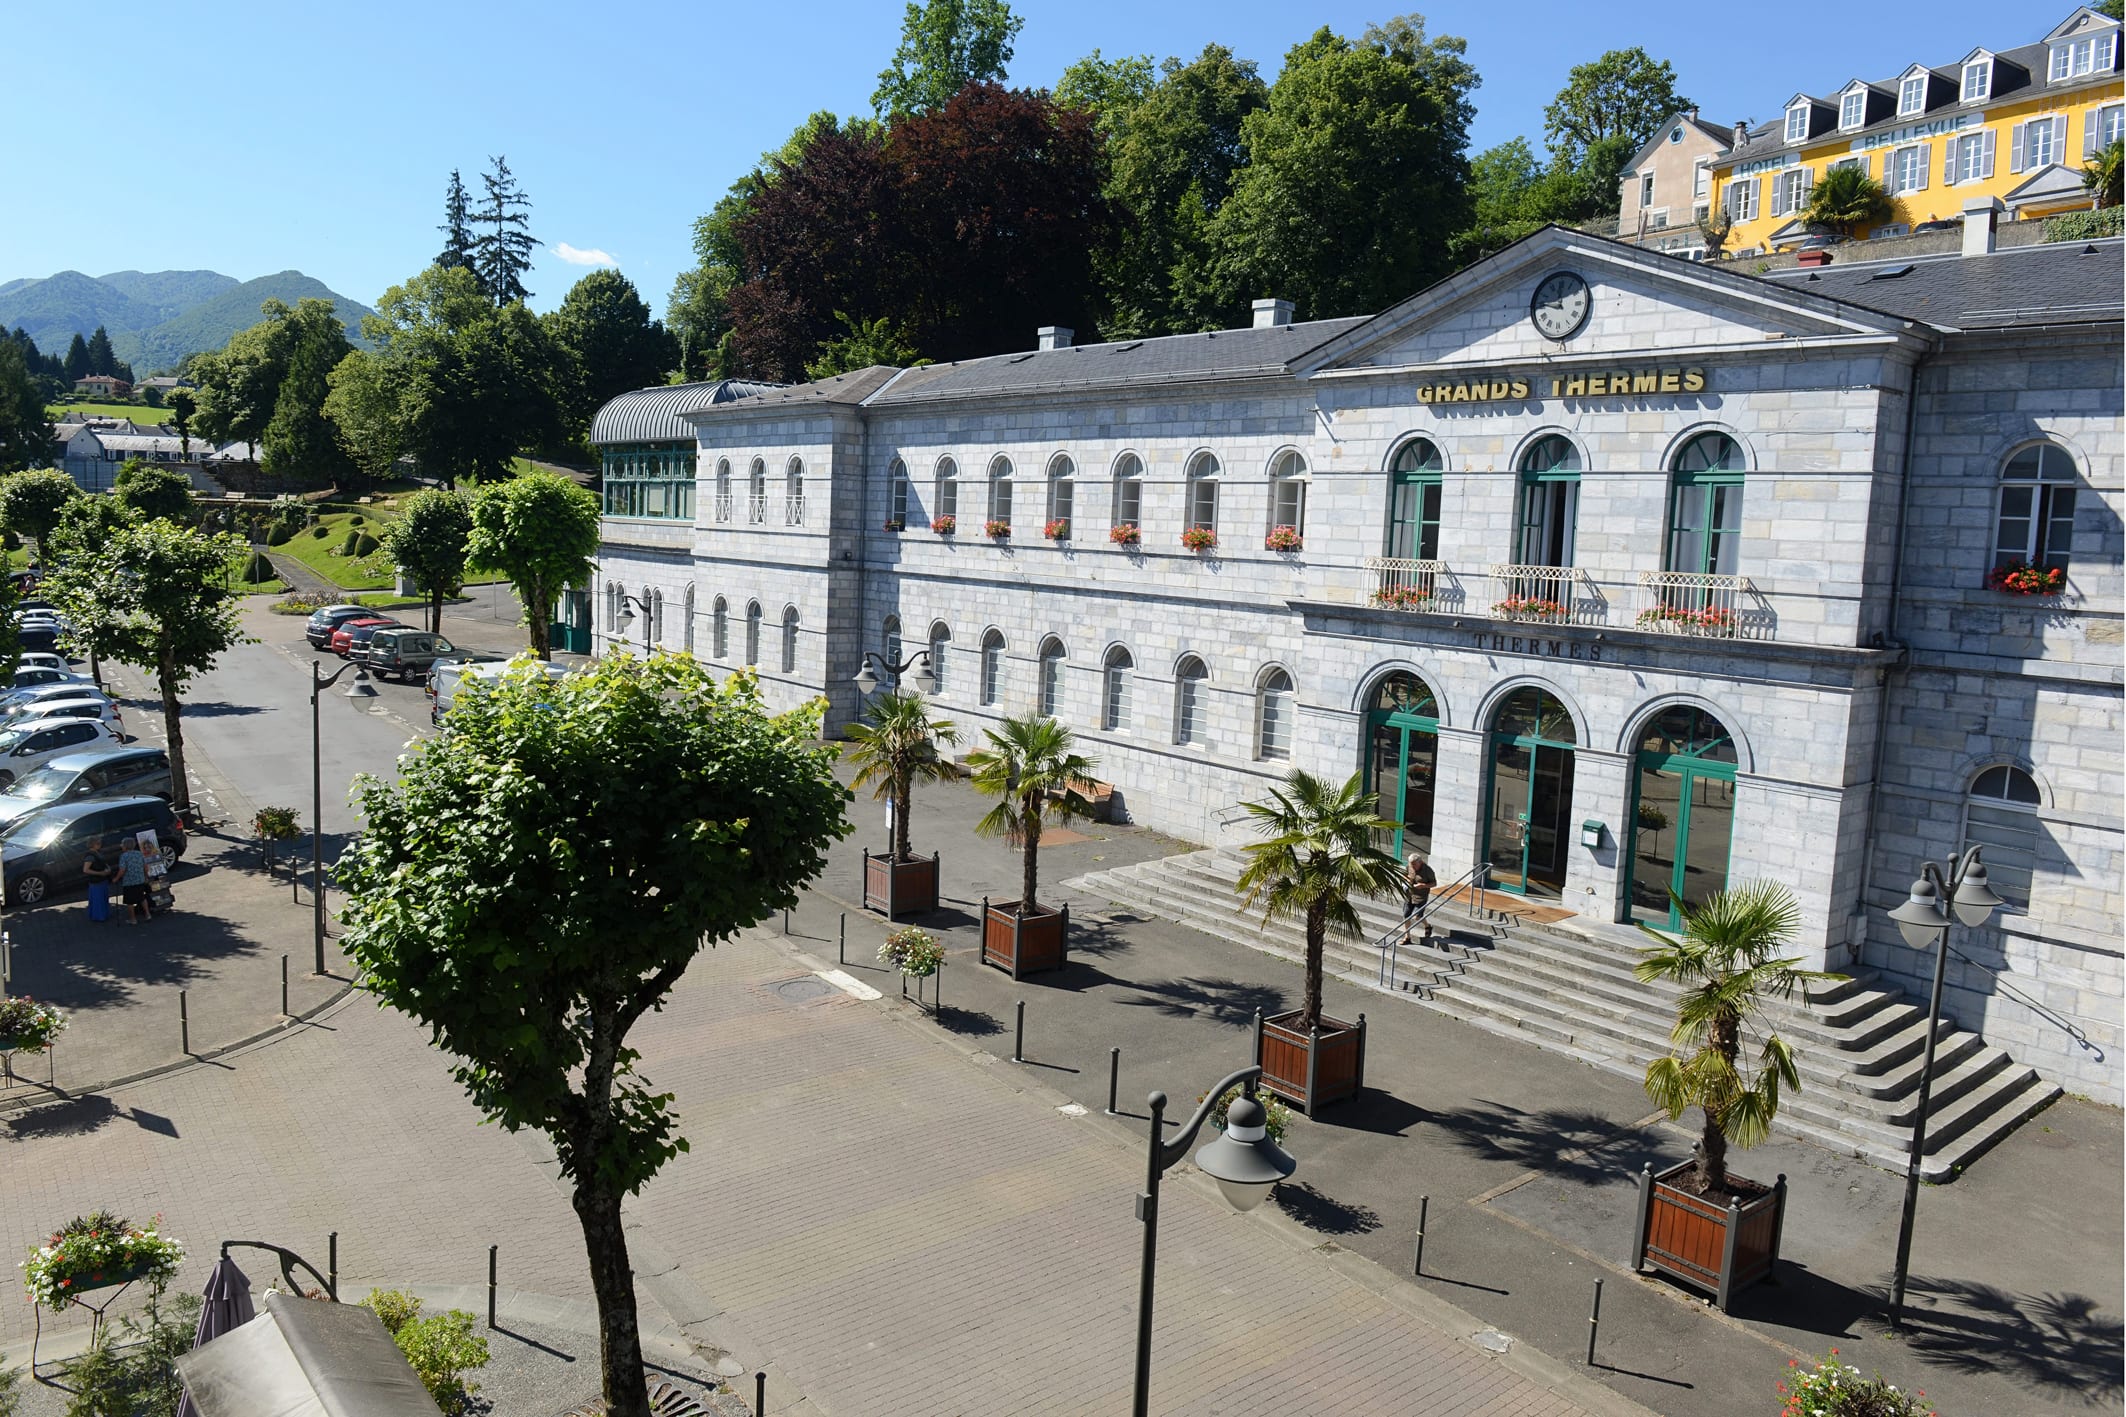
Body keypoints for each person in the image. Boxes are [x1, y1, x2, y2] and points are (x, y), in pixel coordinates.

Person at [115, 839, 149, 925]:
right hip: (140, 879)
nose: (121, 846)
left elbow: (122, 870)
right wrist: (146, 876)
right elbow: (145, 866)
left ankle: (133, 919)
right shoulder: (139, 854)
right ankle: (148, 914)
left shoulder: (124, 856)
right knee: (142, 897)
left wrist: (116, 878)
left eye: (122, 845)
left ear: (125, 846)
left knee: (129, 901)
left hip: (129, 881)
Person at [82, 835, 114, 923]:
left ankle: (104, 914)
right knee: (98, 899)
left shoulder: (97, 853)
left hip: (102, 879)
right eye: (98, 843)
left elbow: (103, 863)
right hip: (96, 881)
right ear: (93, 844)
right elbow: (86, 870)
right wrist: (100, 873)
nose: (100, 845)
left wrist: (108, 869)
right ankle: (99, 916)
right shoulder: (90, 856)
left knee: (103, 898)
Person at [1402, 851, 1436, 930]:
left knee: (1417, 916)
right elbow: (1404, 875)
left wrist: (1423, 886)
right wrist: (1408, 880)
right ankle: (1407, 937)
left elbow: (1434, 883)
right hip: (1409, 894)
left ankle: (1427, 926)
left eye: (1414, 865)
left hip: (1421, 896)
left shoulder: (1428, 871)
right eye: (1411, 864)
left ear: (1420, 862)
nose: (1412, 867)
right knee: (1406, 916)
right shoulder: (1409, 866)